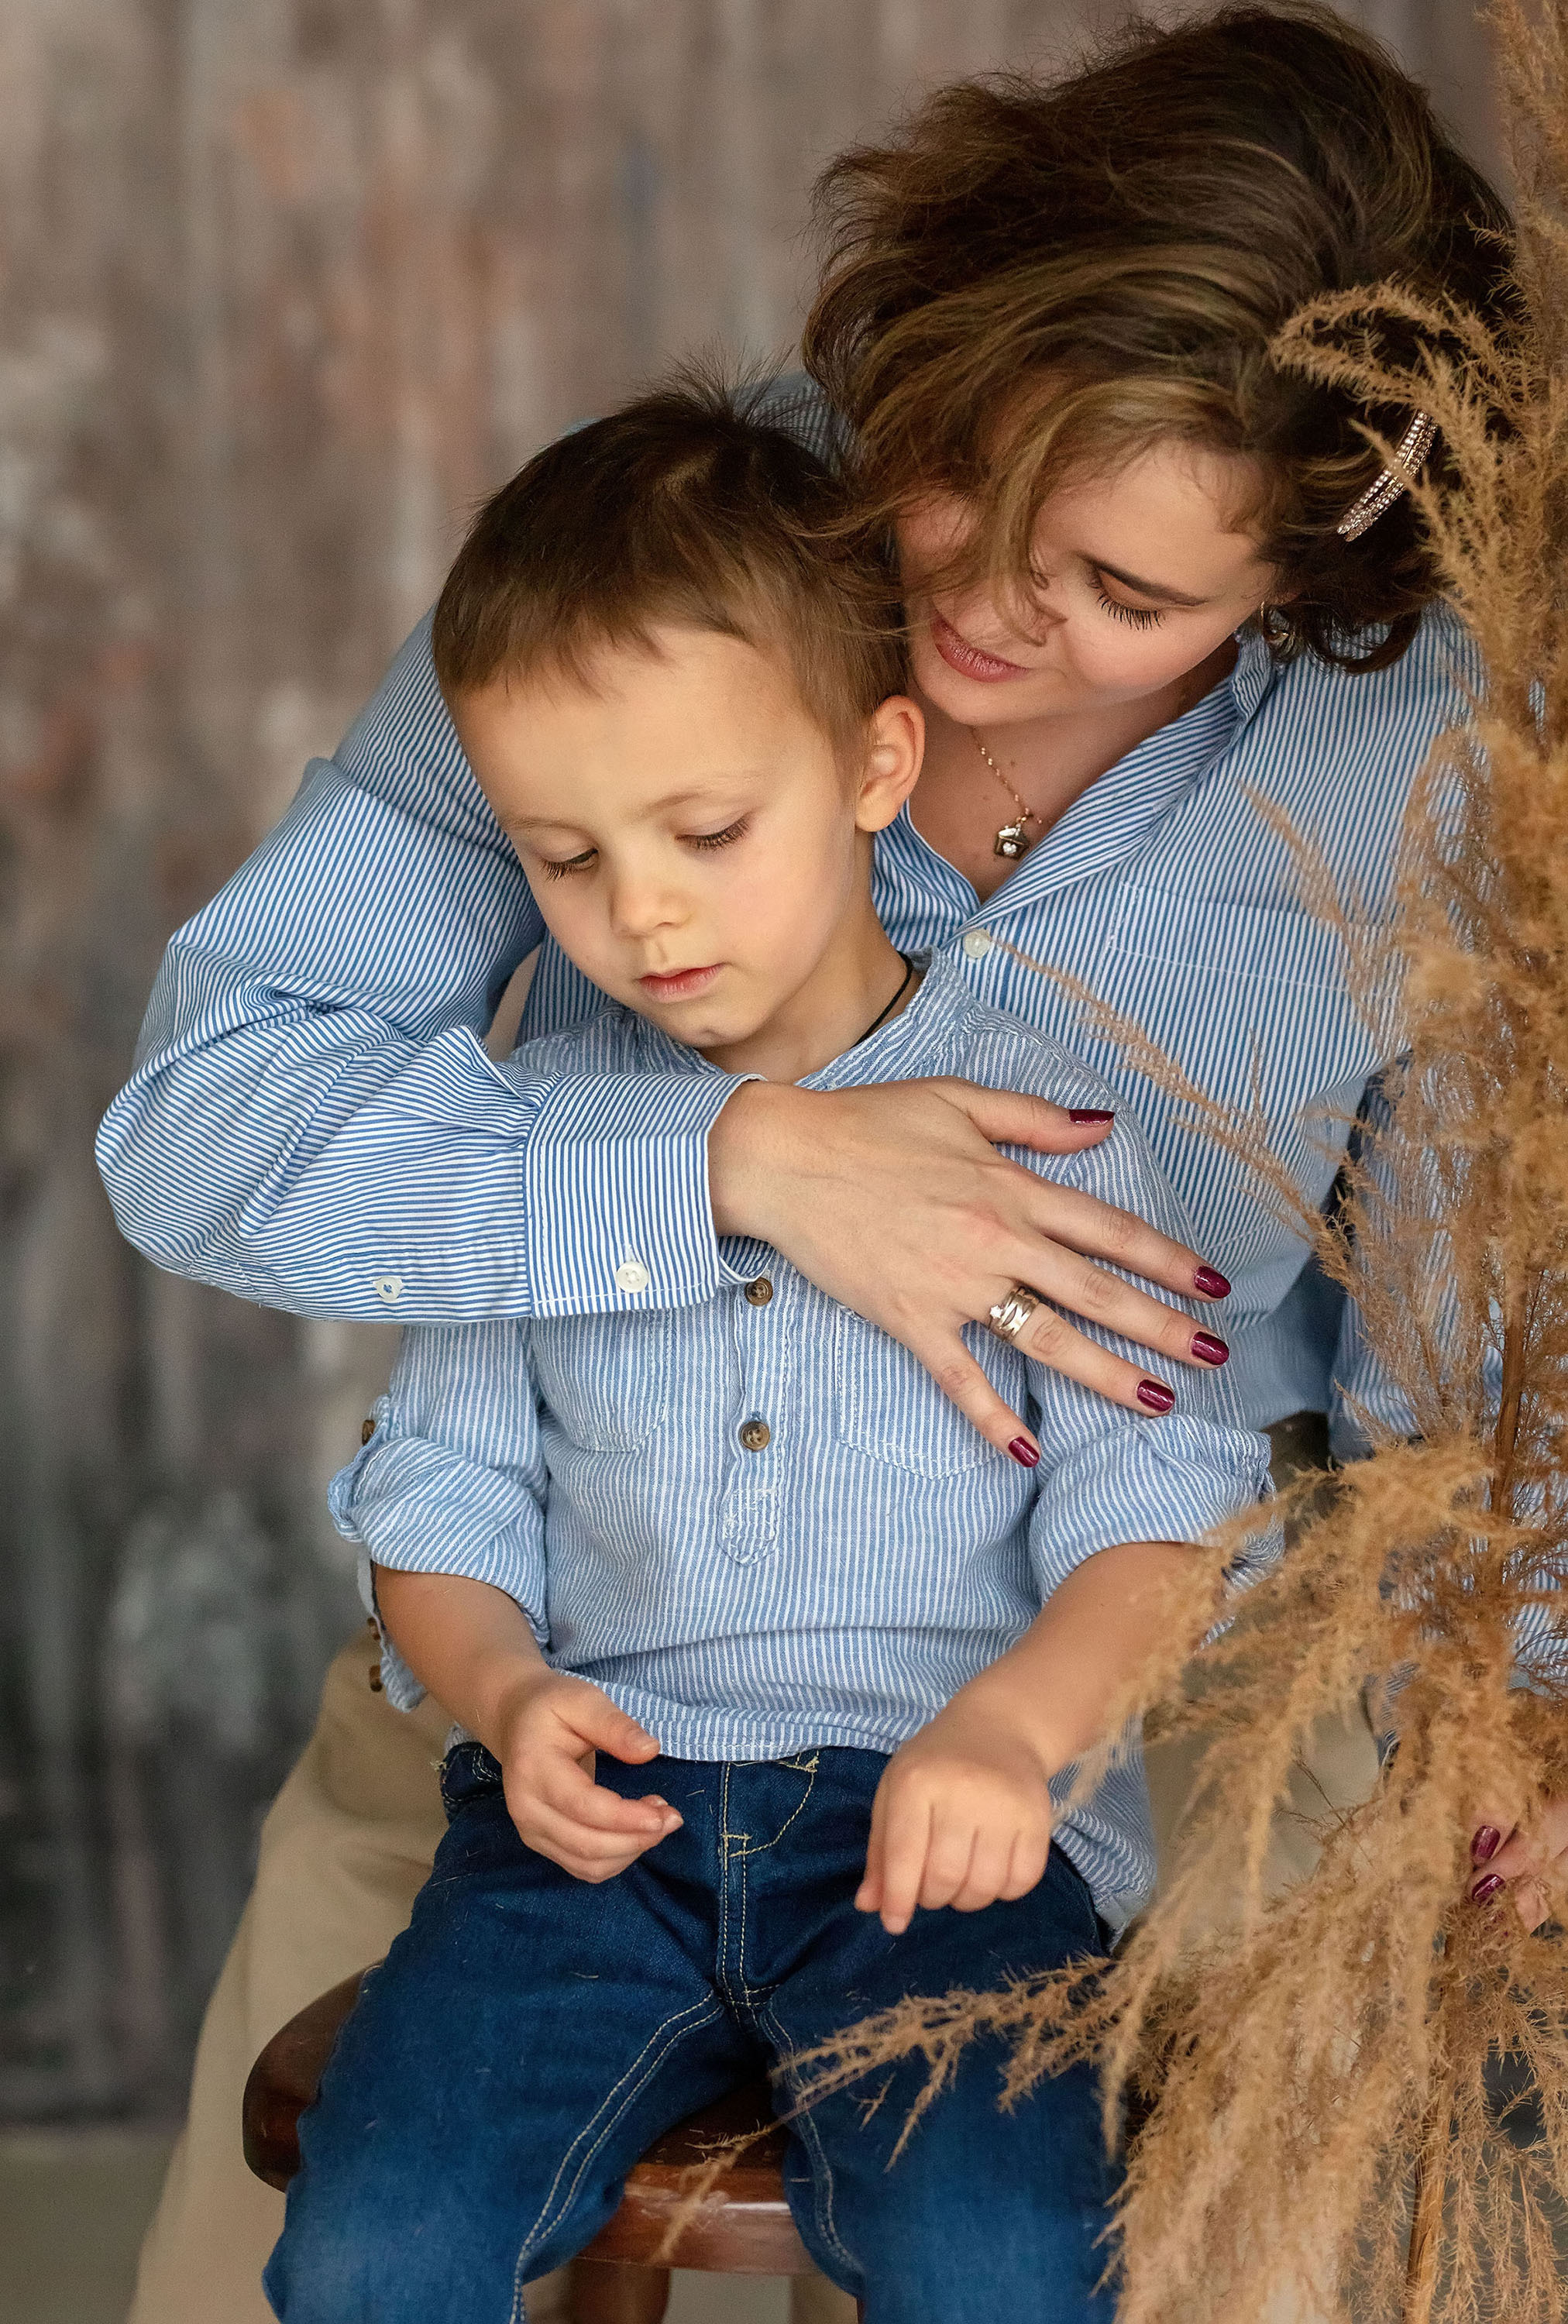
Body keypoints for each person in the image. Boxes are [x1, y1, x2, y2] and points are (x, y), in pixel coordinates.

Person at [101, 10, 1518, 2321]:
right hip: (595, 1637)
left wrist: (1514, 1686)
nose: (982, 608)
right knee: (328, 2238)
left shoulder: (1427, 741)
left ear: (1310, 573)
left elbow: (1463, 1351)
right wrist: (743, 1163)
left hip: (1163, 1675)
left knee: (1247, 2226)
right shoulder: (676, 548)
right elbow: (201, 1116)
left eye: (1126, 594)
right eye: (964, 467)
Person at [263, 377, 1274, 2323]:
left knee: (1000, 2263)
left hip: (940, 1850)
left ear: (879, 766)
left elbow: (1167, 1507)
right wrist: (499, 1695)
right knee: (375, 2253)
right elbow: (448, 1489)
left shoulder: (1055, 1128)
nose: (640, 914)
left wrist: (1017, 1732)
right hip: (594, 1834)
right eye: (562, 860)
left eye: (707, 830)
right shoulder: (550, 1124)